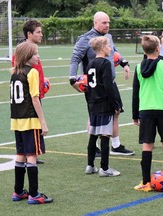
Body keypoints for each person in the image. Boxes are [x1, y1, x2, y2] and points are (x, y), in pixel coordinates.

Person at [69, 11, 134, 157]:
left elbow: (115, 52)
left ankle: (116, 145)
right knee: (94, 114)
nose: (107, 25)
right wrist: (72, 78)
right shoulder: (85, 39)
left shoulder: (108, 37)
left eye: (108, 22)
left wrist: (124, 63)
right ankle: (95, 147)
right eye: (104, 22)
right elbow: (75, 59)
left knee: (116, 112)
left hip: (110, 82)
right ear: (96, 23)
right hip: (94, 85)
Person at [132, 35, 163, 192]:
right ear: (158, 48)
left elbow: (135, 93)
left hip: (146, 111)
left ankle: (146, 182)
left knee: (147, 146)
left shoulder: (139, 68)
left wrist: (135, 114)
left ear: (144, 50)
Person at [10, 42, 53, 204]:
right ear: (27, 56)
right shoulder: (32, 72)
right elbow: (35, 99)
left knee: (20, 154)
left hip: (16, 120)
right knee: (31, 156)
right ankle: (34, 194)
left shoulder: (14, 73)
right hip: (30, 120)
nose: (38, 56)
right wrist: (43, 122)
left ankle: (18, 191)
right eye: (35, 54)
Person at [85, 36, 121, 177]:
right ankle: (104, 168)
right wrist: (115, 104)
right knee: (105, 135)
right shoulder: (105, 63)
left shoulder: (90, 63)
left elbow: (89, 86)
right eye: (108, 46)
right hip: (104, 103)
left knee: (93, 135)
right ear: (101, 48)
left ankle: (90, 165)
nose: (110, 48)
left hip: (93, 103)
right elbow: (108, 86)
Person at [12, 20, 47, 164]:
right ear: (29, 34)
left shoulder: (32, 51)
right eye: (38, 32)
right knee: (29, 145)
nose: (41, 35)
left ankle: (31, 154)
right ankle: (31, 155)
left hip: (32, 97)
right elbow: (24, 76)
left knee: (27, 146)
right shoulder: (24, 52)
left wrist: (43, 83)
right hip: (29, 103)